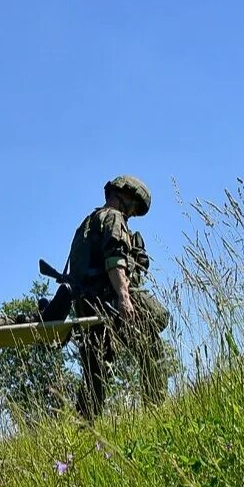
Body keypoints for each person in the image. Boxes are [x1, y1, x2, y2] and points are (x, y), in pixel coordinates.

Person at [64, 175, 170, 420]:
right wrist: (124, 296)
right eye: (133, 206)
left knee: (96, 373)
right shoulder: (114, 217)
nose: (132, 213)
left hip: (86, 306)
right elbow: (114, 260)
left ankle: (83, 430)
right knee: (151, 350)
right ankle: (158, 418)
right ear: (124, 196)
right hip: (108, 302)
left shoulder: (87, 222)